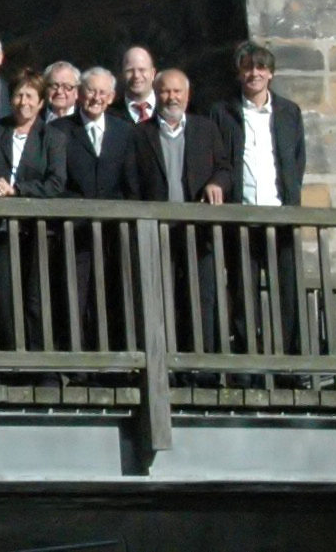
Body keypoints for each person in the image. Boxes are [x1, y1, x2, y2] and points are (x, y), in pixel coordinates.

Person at [126, 68, 231, 375]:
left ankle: (203, 371)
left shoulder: (206, 129)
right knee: (163, 300)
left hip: (198, 232)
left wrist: (217, 183)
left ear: (187, 95)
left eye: (177, 91)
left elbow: (225, 168)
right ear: (156, 94)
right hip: (157, 232)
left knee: (202, 299)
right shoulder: (140, 134)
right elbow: (132, 182)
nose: (171, 97)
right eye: (165, 91)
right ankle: (166, 370)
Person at [210, 41, 306, 369]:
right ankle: (247, 370)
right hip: (242, 217)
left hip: (281, 217)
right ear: (240, 73)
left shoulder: (289, 112)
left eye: (261, 67)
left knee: (287, 294)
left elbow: (296, 161)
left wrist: (291, 201)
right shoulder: (222, 112)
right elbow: (219, 159)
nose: (255, 73)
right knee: (243, 294)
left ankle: (289, 368)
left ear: (271, 73)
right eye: (248, 67)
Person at [0, 69, 67, 372]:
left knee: (36, 299)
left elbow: (56, 183)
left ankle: (39, 366)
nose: (23, 102)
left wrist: (17, 190)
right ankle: (5, 364)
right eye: (18, 95)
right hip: (0, 230)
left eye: (30, 96)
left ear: (41, 102)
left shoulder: (53, 138)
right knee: (3, 296)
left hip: (37, 231)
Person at [52, 66, 136, 355]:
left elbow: (131, 182)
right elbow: (57, 182)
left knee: (111, 296)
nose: (96, 98)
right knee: (75, 296)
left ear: (111, 97)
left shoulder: (125, 131)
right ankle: (77, 361)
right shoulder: (60, 130)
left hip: (113, 231)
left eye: (103, 93)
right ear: (79, 94)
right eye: (91, 91)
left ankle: (111, 361)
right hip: (75, 230)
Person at [114, 46, 158, 123]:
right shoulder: (110, 113)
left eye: (142, 70)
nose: (136, 76)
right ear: (121, 75)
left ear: (153, 73)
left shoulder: (167, 107)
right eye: (129, 71)